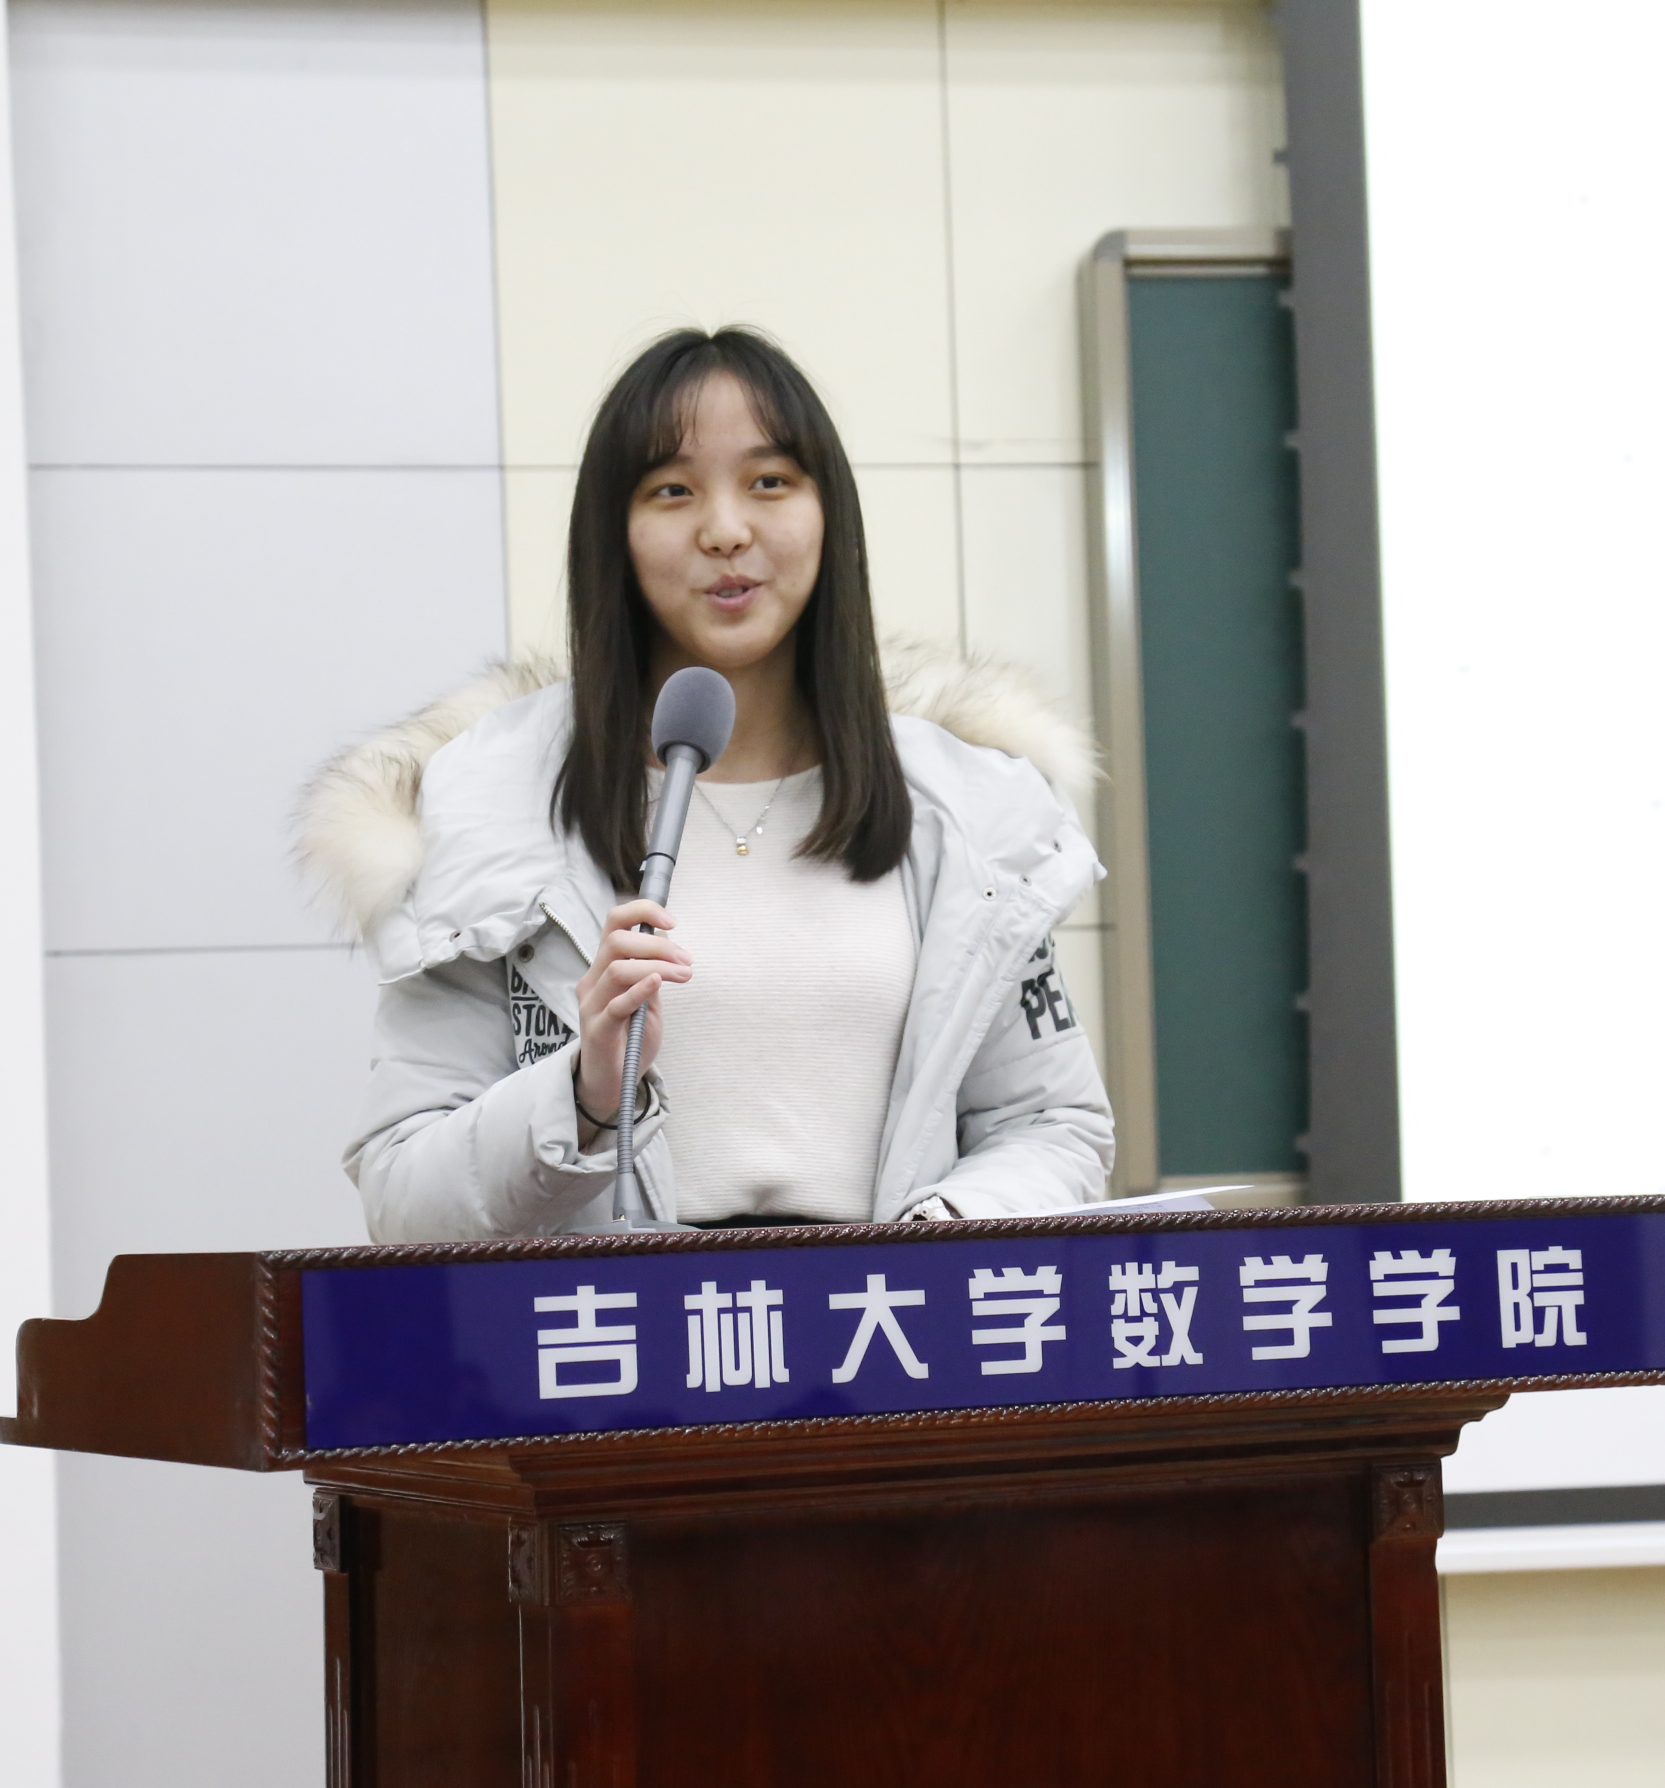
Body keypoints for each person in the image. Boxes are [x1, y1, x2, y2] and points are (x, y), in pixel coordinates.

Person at [300, 328, 1114, 1239]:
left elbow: (1053, 1125)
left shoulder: (967, 810)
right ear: (614, 532)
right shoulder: (492, 803)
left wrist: (941, 1234)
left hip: (883, 1319)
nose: (726, 530)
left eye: (769, 481)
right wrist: (581, 1098)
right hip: (624, 1325)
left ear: (828, 515)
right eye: (673, 490)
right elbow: (405, 1197)